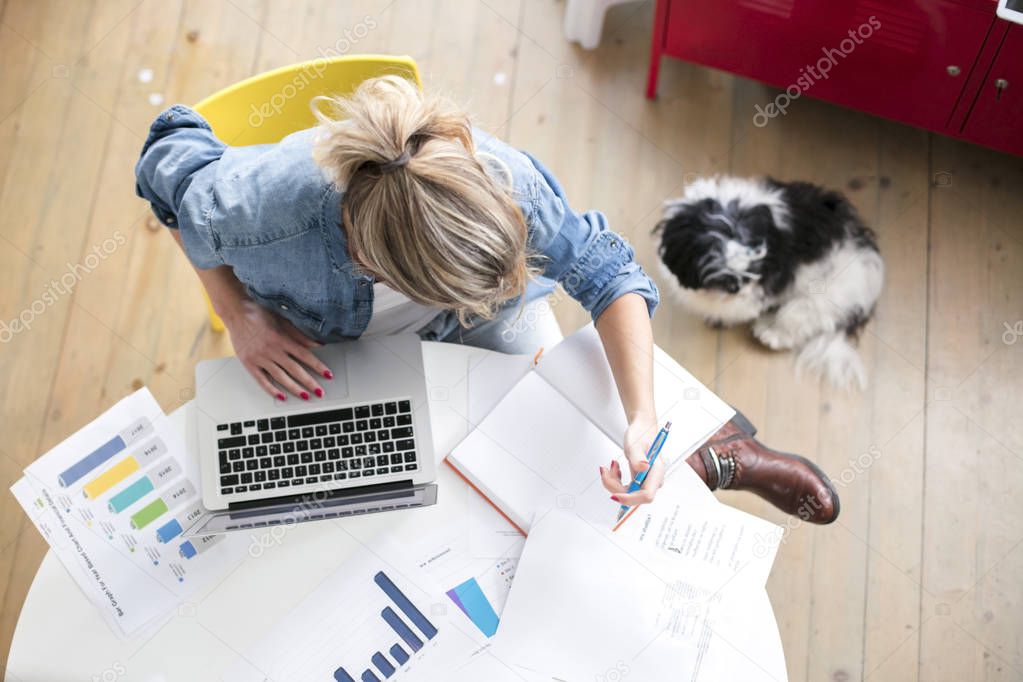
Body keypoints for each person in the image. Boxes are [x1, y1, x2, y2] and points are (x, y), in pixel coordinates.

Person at [135, 76, 838, 523]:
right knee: (345, 497)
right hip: (328, 339)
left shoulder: (502, 180)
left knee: (560, 464)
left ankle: (714, 454)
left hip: (476, 323)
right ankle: (705, 450)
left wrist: (641, 415)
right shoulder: (259, 208)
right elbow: (166, 153)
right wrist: (238, 314)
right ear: (374, 264)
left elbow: (608, 272)